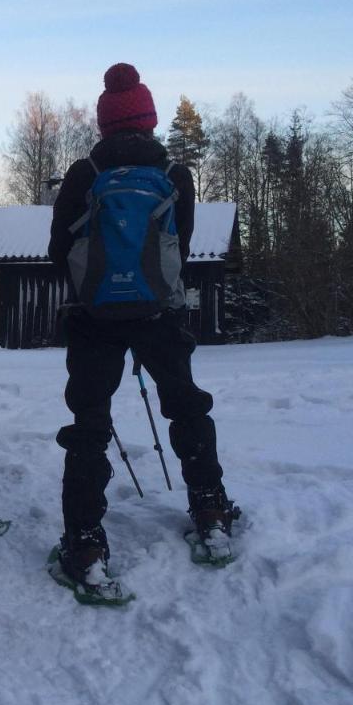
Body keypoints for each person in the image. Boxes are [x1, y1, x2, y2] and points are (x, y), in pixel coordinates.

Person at [47, 62, 238, 594]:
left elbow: (57, 250)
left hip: (93, 320)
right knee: (185, 404)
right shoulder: (175, 176)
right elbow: (184, 242)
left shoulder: (84, 174)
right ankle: (210, 509)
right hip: (161, 315)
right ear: (150, 120)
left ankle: (84, 539)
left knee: (89, 422)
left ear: (103, 123)